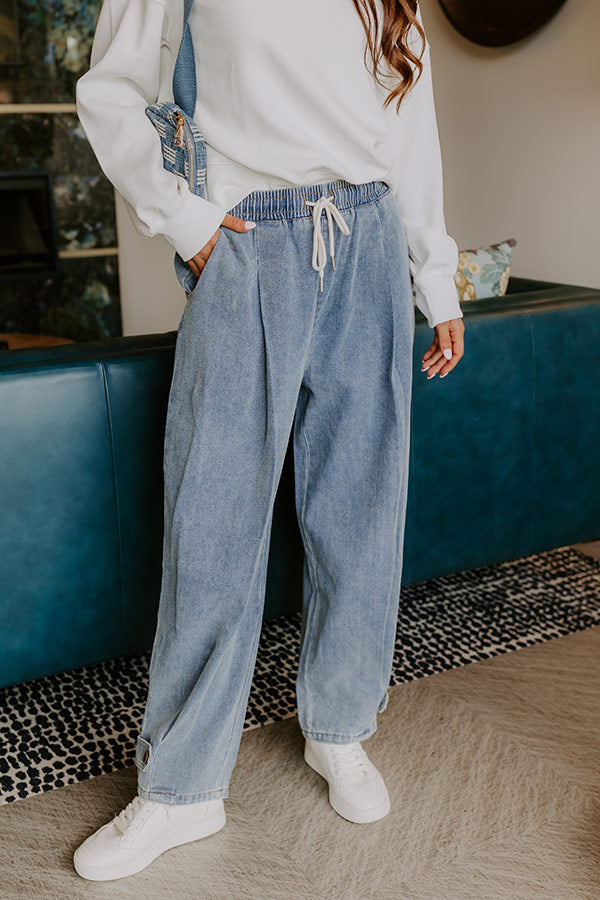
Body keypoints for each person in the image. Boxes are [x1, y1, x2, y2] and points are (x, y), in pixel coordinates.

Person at [73, 0, 465, 881]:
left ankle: (340, 728)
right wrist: (186, 221)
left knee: (362, 507)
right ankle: (182, 786)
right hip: (250, 238)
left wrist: (434, 276)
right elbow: (109, 91)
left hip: (368, 237)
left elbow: (412, 129)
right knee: (212, 514)